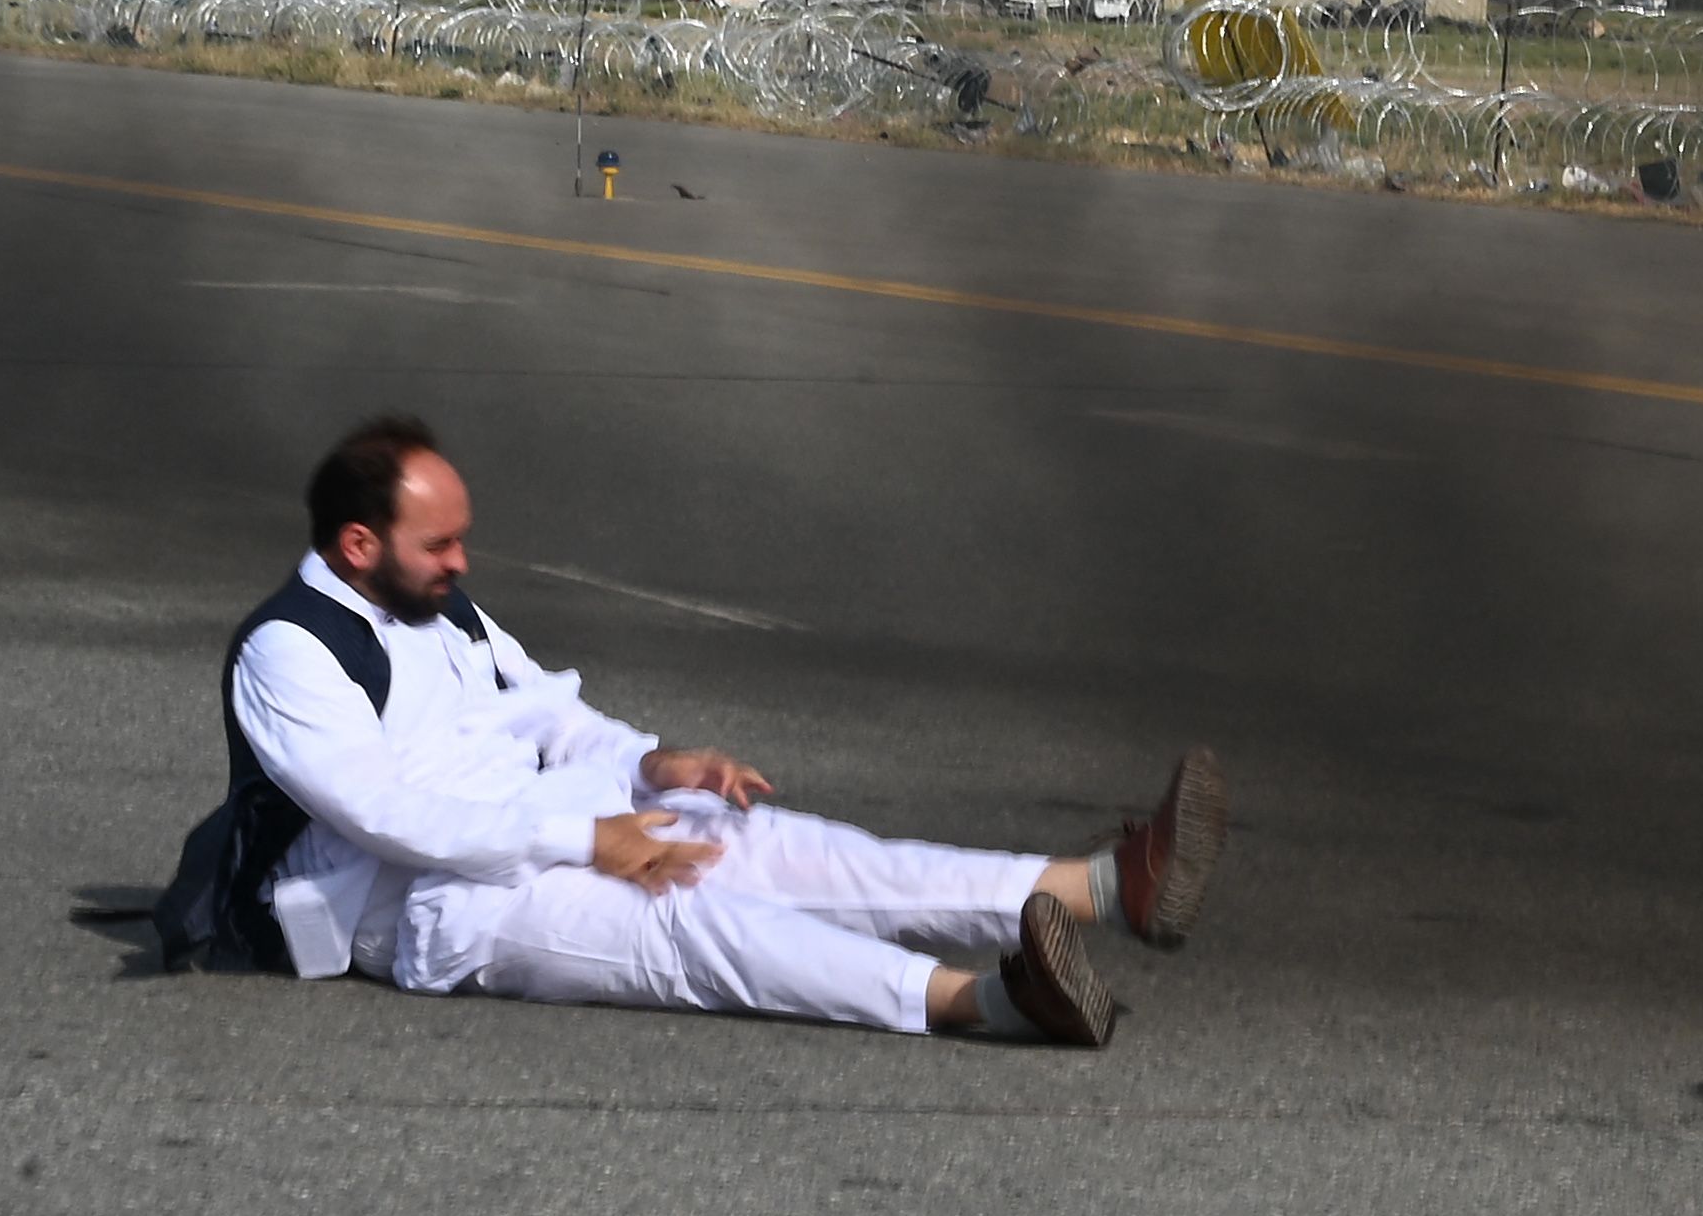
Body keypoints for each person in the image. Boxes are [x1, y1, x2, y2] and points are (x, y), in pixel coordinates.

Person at [164, 415, 1228, 1047]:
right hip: (420, 906)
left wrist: (644, 763)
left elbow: (545, 710)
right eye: (439, 543)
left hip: (543, 822)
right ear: (360, 541)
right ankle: (994, 1001)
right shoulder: (290, 651)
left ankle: (1097, 889)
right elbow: (389, 817)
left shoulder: (440, 610)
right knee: (697, 926)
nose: (462, 562)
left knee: (788, 848)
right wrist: (596, 842)